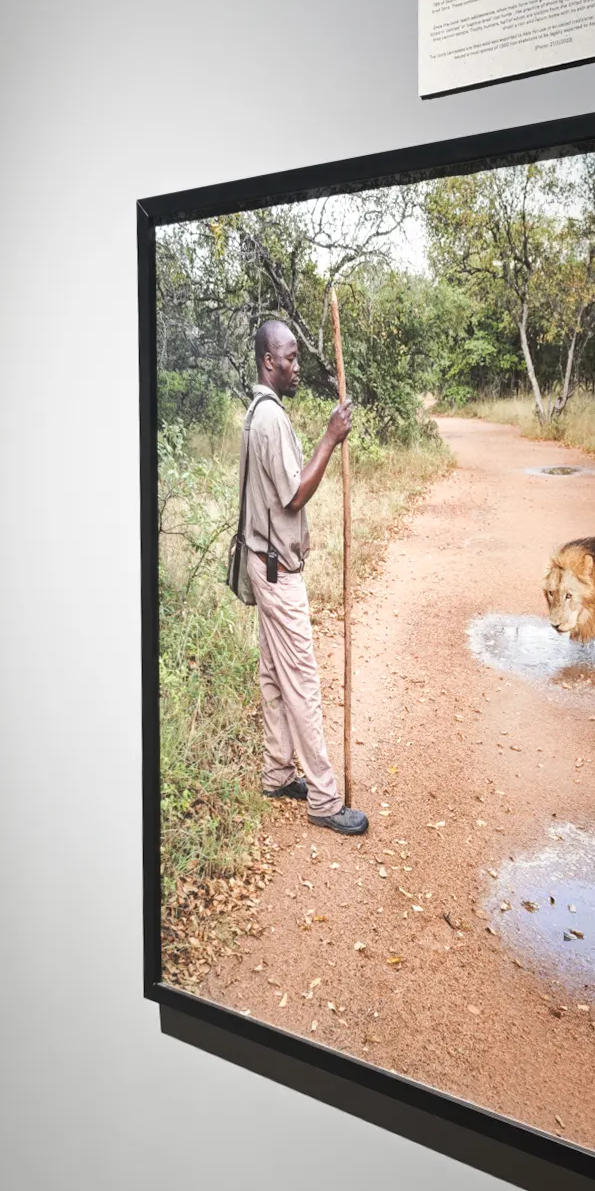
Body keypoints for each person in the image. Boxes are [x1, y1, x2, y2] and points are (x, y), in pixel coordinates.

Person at [240, 319, 367, 836]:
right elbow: (295, 494)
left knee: (273, 674)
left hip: (263, 560)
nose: (297, 366)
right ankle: (323, 798)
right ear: (269, 361)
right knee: (302, 680)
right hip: (276, 570)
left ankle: (277, 772)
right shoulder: (269, 419)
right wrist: (331, 438)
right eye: (290, 358)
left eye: (296, 357)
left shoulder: (260, 412)